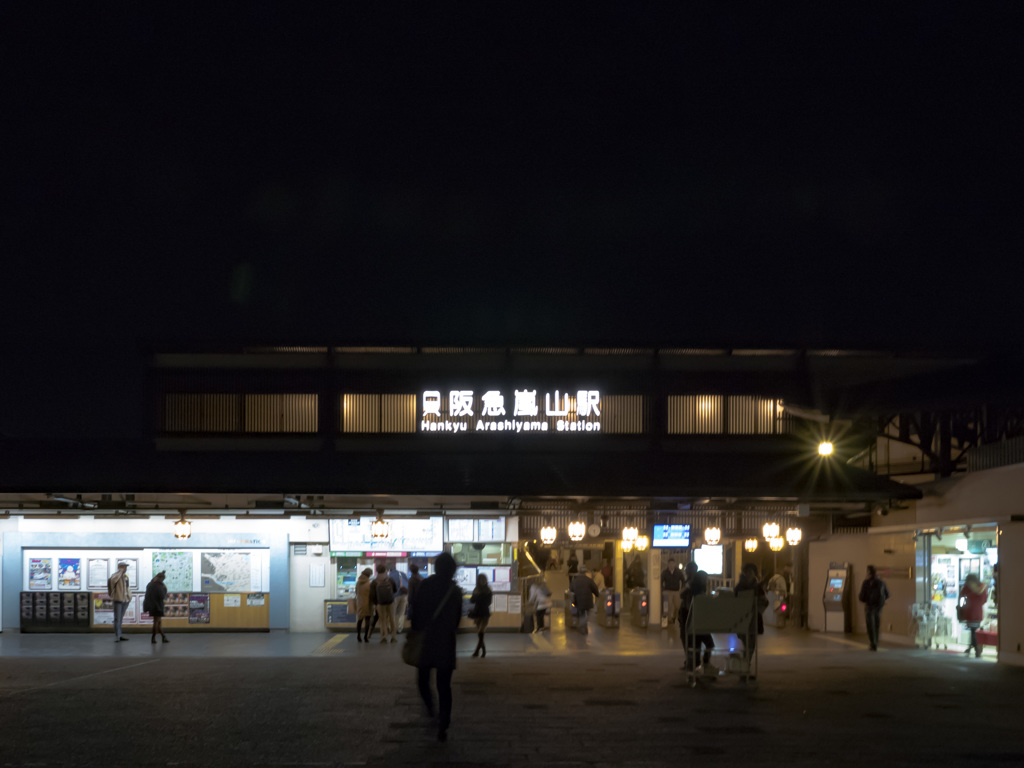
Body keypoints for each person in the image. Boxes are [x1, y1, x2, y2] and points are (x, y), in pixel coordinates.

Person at [411, 552, 462, 742]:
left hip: (427, 640)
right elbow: (457, 620)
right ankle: (444, 719)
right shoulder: (455, 590)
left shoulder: (426, 585)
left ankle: (432, 711)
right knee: (444, 685)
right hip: (446, 642)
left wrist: (417, 629)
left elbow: (416, 613)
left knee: (423, 680)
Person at [679, 561, 714, 670]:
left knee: (691, 642)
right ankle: (701, 663)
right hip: (694, 618)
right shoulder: (696, 587)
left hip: (688, 615)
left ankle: (693, 663)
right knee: (701, 643)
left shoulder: (690, 584)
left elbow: (682, 595)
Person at [733, 563, 767, 666]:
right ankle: (745, 665)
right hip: (744, 618)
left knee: (750, 644)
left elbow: (764, 601)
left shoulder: (744, 587)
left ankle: (745, 664)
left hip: (753, 618)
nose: (749, 574)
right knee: (748, 643)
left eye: (751, 572)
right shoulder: (743, 587)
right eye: (747, 572)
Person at [858, 564, 890, 651]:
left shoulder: (866, 583)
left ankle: (873, 643)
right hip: (878, 606)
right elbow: (887, 594)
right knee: (876, 624)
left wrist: (864, 599)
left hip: (869, 606)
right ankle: (875, 642)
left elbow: (862, 597)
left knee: (870, 625)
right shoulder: (881, 582)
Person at [958, 573, 989, 658]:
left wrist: (962, 605)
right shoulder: (982, 587)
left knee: (973, 631)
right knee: (974, 631)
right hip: (978, 613)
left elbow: (961, 595)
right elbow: (985, 600)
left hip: (969, 612)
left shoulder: (967, 587)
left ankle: (976, 649)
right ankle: (971, 648)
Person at [371, 563, 399, 644]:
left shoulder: (374, 582)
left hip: (380, 604)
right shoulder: (390, 579)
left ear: (376, 571)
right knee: (392, 619)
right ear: (385, 571)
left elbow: (372, 595)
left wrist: (376, 604)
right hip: (390, 602)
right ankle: (393, 637)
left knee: (383, 620)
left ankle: (384, 637)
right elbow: (395, 590)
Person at [107, 562, 132, 642]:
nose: (125, 569)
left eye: (125, 567)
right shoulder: (115, 576)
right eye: (124, 567)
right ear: (120, 567)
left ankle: (120, 635)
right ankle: (117, 636)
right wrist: (120, 572)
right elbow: (112, 581)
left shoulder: (125, 577)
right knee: (117, 619)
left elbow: (127, 587)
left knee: (120, 619)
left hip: (125, 600)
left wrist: (129, 596)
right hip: (118, 599)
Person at [572, 566, 600, 635]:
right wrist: (597, 594)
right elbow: (595, 589)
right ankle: (583, 627)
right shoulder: (589, 580)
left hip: (578, 601)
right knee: (587, 615)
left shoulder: (575, 581)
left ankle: (583, 628)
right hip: (588, 601)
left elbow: (571, 589)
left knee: (581, 614)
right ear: (585, 572)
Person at [469, 573, 492, 657]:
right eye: (481, 580)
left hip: (483, 613)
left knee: (481, 632)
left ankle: (477, 651)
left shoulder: (486, 590)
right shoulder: (485, 590)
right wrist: (475, 595)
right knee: (480, 633)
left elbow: (488, 602)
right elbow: (472, 600)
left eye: (483, 579)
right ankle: (483, 651)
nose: (482, 581)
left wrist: (477, 595)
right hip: (479, 613)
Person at [143, 570, 169, 644]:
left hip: (152, 605)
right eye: (163, 579)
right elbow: (162, 596)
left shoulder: (150, 584)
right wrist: (164, 587)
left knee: (158, 622)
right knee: (156, 622)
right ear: (161, 579)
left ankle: (163, 637)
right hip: (157, 606)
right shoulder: (159, 586)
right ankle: (153, 638)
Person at [767, 563, 793, 628]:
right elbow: (784, 589)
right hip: (780, 596)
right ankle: (780, 623)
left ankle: (775, 622)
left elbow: (768, 588)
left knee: (775, 609)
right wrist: (785, 597)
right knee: (782, 609)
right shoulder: (781, 579)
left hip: (773, 597)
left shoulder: (772, 578)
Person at [660, 558, 684, 626]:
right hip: (668, 590)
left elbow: (683, 580)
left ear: (674, 564)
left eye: (672, 563)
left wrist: (681, 589)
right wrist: (663, 589)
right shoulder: (665, 572)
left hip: (676, 591)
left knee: (678, 606)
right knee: (668, 606)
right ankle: (668, 619)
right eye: (670, 564)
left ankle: (674, 617)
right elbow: (661, 581)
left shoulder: (678, 572)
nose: (671, 565)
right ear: (668, 564)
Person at [354, 568, 374, 642]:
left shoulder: (358, 583)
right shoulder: (369, 584)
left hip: (360, 603)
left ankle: (358, 635)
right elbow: (372, 595)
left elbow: (356, 592)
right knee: (367, 620)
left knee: (359, 620)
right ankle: (365, 637)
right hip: (368, 604)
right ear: (369, 575)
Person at [390, 564, 410, 634]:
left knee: (392, 612)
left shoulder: (390, 576)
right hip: (404, 595)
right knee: (401, 613)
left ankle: (392, 628)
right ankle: (400, 629)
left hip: (395, 596)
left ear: (389, 570)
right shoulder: (402, 574)